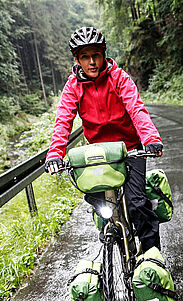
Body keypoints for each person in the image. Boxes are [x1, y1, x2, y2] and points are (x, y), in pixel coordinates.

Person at [45, 27, 163, 251]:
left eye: (96, 55)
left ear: (104, 54)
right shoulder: (73, 87)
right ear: (77, 59)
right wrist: (55, 154)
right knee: (100, 205)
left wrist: (150, 138)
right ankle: (111, 230)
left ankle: (153, 257)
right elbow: (63, 122)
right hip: (98, 153)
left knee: (137, 203)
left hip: (130, 149)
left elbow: (136, 109)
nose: (92, 62)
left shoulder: (119, 78)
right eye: (85, 57)